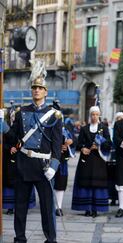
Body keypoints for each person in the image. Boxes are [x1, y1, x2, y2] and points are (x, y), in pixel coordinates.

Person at [0, 60, 63, 243]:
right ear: (31, 90)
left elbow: (57, 143)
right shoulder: (21, 112)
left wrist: (54, 165)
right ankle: (20, 238)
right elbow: (13, 137)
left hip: (43, 167)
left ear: (46, 92)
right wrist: (2, 124)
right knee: (20, 206)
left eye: (40, 88)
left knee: (47, 208)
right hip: (23, 164)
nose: (36, 90)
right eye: (34, 87)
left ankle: (50, 239)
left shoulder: (54, 115)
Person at [71, 106, 112, 217]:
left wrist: (101, 144)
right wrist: (83, 148)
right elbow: (78, 144)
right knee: (86, 184)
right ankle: (86, 208)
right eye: (92, 114)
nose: (94, 117)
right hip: (86, 160)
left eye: (96, 114)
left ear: (99, 115)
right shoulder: (84, 129)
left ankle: (95, 208)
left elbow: (109, 143)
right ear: (90, 116)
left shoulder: (104, 128)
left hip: (99, 161)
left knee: (97, 184)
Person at [54, 104, 76, 217]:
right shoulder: (46, 127)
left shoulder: (66, 128)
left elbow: (74, 141)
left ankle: (59, 207)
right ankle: (50, 206)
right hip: (49, 159)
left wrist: (68, 144)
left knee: (61, 183)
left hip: (62, 160)